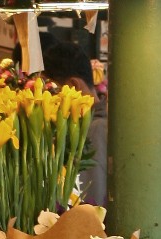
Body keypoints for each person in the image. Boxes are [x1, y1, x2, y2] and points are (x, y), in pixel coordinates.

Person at [42, 41, 108, 207]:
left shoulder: (96, 131)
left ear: (73, 85)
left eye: (52, 90)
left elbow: (91, 201)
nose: (48, 99)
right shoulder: (97, 126)